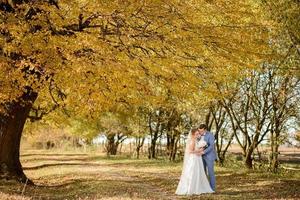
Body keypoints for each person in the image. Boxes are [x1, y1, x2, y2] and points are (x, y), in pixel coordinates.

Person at [175, 128, 214, 195]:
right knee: (193, 172)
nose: (198, 135)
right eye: (196, 134)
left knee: (198, 172)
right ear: (192, 135)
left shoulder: (195, 140)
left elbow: (196, 148)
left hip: (197, 158)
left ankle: (198, 187)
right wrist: (199, 151)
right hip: (194, 159)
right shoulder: (192, 141)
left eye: (198, 133)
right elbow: (190, 151)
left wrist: (200, 149)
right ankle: (191, 188)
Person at [197, 124, 217, 191]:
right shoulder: (198, 135)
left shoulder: (210, 135)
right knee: (203, 172)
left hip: (209, 156)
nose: (200, 132)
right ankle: (204, 188)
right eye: (199, 131)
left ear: (205, 129)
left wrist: (204, 152)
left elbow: (211, 146)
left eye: (201, 131)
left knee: (210, 172)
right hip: (200, 156)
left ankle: (212, 189)